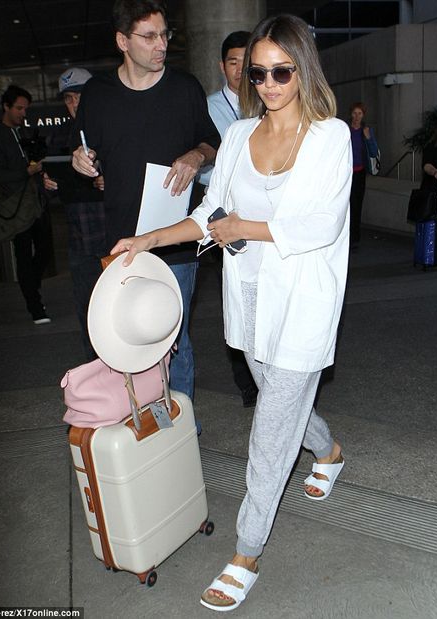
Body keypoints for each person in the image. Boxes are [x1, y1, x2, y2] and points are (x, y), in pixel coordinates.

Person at [111, 13, 352, 612]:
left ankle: (246, 551)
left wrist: (243, 227)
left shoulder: (331, 136)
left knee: (269, 431)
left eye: (281, 71)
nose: (268, 82)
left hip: (304, 301)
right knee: (280, 397)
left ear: (303, 69)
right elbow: (207, 214)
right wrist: (148, 240)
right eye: (258, 72)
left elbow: (321, 224)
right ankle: (328, 451)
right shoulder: (241, 136)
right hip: (248, 300)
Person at [71, 0, 220, 400]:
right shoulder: (98, 94)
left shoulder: (184, 88)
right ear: (123, 40)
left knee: (176, 339)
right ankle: (142, 425)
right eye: (150, 36)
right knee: (131, 339)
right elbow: (86, 150)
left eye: (165, 35)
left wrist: (196, 155)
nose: (162, 45)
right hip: (123, 242)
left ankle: (182, 424)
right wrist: (82, 161)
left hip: (176, 240)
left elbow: (213, 142)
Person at [198, 30, 258, 408]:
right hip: (223, 215)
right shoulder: (208, 108)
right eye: (233, 62)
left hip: (261, 218)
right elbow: (202, 165)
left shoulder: (270, 101)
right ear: (223, 66)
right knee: (236, 296)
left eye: (245, 62)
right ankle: (248, 384)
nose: (240, 70)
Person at [43, 67, 105, 360]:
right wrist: (49, 183)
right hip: (80, 239)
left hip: (116, 235)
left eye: (80, 96)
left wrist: (111, 180)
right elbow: (53, 182)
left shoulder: (110, 127)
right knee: (87, 311)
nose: (74, 104)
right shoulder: (58, 137)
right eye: (68, 98)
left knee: (122, 311)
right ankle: (99, 379)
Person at [0, 85, 52, 324]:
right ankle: (35, 307)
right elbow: (0, 175)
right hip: (16, 206)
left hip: (37, 202)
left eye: (26, 109)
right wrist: (28, 170)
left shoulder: (25, 133)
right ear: (6, 107)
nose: (23, 113)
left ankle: (31, 287)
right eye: (19, 108)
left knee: (44, 251)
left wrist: (40, 173)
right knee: (24, 256)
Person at [348, 101, 379, 248]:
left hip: (359, 173)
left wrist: (368, 138)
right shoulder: (345, 130)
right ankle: (345, 237)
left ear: (363, 115)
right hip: (346, 174)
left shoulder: (366, 130)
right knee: (346, 205)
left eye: (359, 113)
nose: (356, 116)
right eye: (354, 113)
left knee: (356, 205)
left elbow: (373, 152)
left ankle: (355, 238)